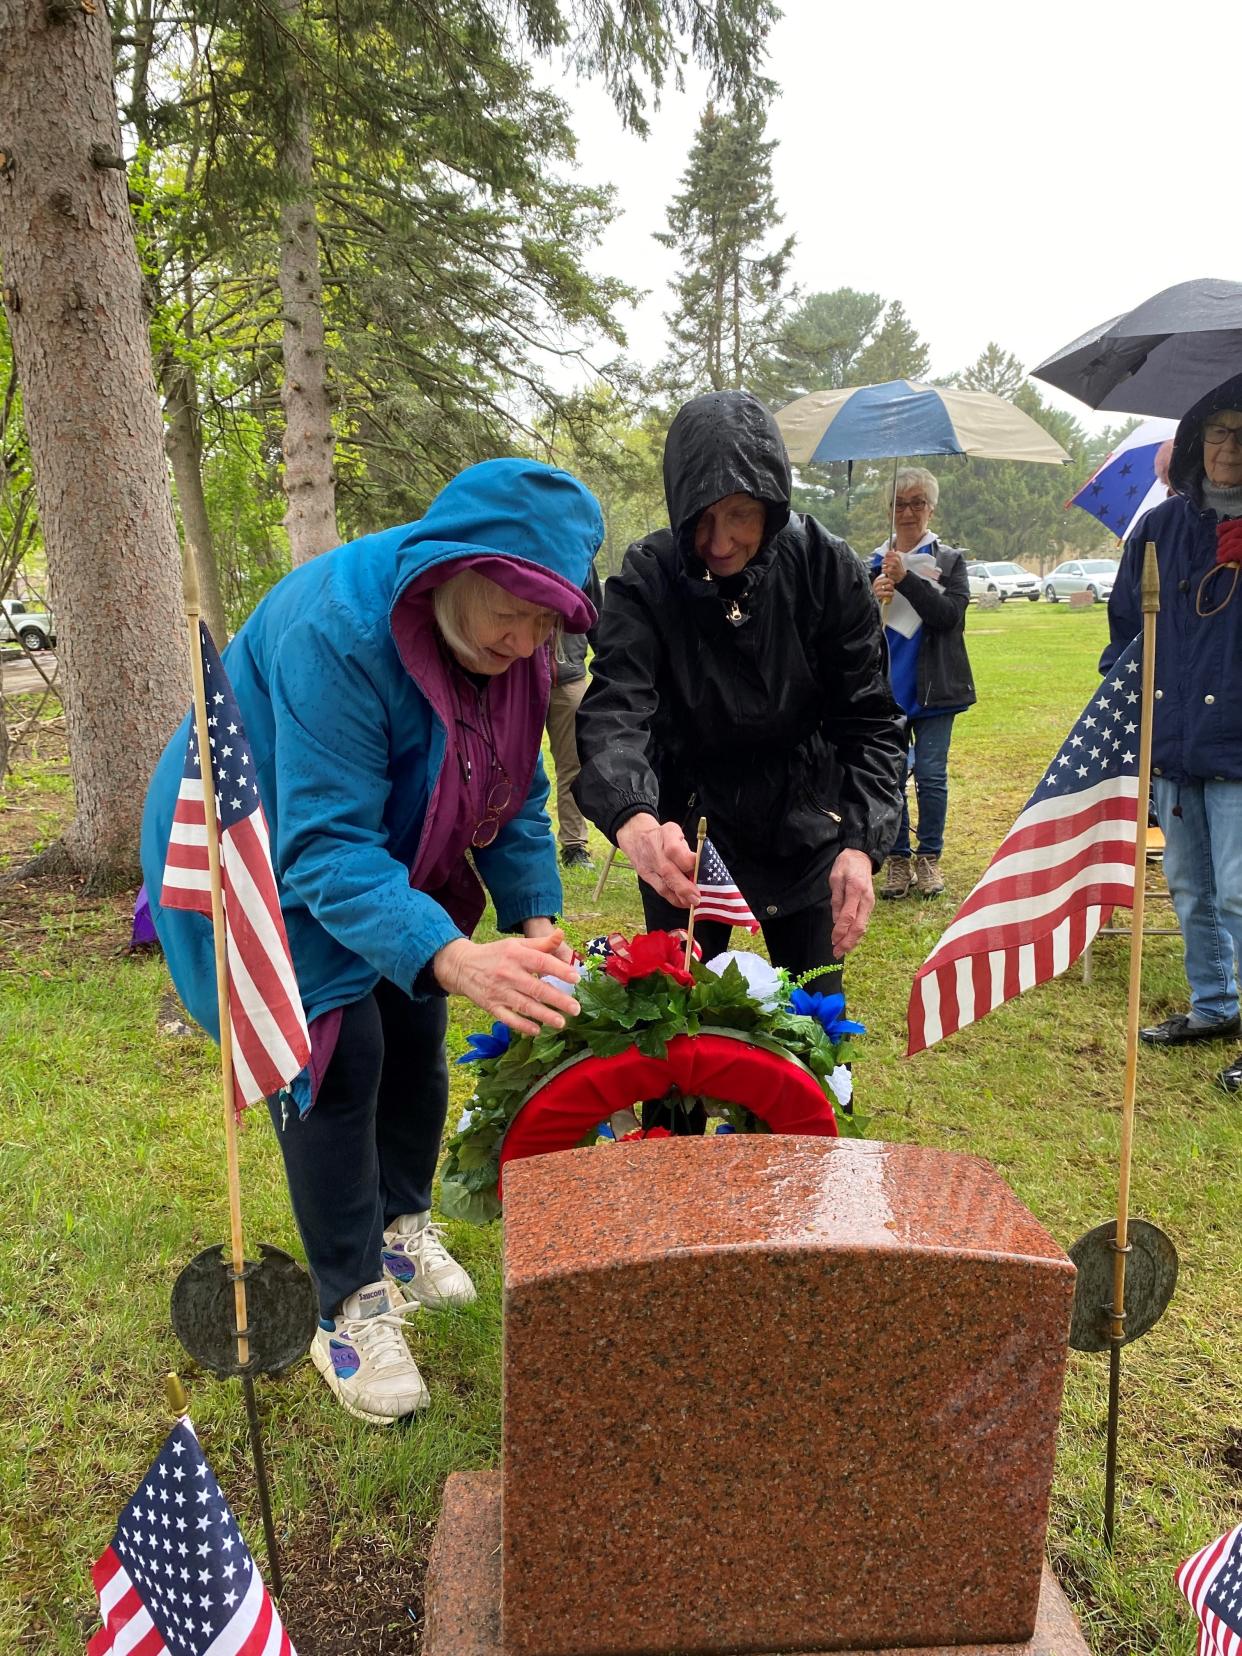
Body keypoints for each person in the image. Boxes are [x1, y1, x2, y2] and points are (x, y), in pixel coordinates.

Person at [141, 459, 599, 1423]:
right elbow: (325, 844)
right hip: (266, 840)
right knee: (341, 1056)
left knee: (416, 1031)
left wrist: (534, 918)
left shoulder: (516, 657)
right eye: (509, 613)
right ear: (447, 567)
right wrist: (456, 952)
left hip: (396, 839)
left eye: (546, 623)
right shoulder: (336, 631)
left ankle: (400, 1225)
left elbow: (511, 801)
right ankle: (344, 1303)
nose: (522, 642)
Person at [573, 388, 906, 1126]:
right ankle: (678, 1166)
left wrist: (862, 842)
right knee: (672, 1024)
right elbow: (615, 707)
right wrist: (632, 814)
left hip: (803, 809)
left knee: (810, 1027)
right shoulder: (649, 576)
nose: (720, 541)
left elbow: (872, 720)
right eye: (704, 517)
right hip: (686, 824)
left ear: (773, 506)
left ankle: (801, 1170)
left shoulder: (826, 568)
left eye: (741, 515)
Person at [1102, 374, 1242, 1094]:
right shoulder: (1159, 529)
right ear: (1195, 442)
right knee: (1190, 886)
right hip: (1177, 741)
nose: (1229, 446)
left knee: (1241, 894)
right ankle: (1215, 1006)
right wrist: (1128, 701)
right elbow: (1127, 627)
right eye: (1217, 431)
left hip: (1238, 748)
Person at [869, 467, 975, 900]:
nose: (908, 511)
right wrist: (869, 596)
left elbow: (949, 616)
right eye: (899, 503)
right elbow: (853, 628)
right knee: (890, 777)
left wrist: (908, 579)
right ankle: (896, 857)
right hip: (886, 691)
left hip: (935, 690)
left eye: (917, 503)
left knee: (930, 777)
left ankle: (928, 857)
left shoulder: (949, 561)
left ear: (931, 508)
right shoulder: (870, 561)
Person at [544, 560, 604, 871]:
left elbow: (596, 615)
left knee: (572, 764)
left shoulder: (580, 555)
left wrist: (608, 668)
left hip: (569, 680)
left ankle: (574, 845)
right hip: (516, 677)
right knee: (510, 765)